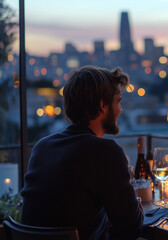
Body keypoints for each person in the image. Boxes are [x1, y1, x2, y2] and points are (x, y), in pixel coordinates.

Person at [21, 66, 143, 240]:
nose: (121, 109)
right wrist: (136, 200)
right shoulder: (106, 152)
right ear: (103, 105)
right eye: (118, 101)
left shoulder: (42, 147)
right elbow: (131, 228)